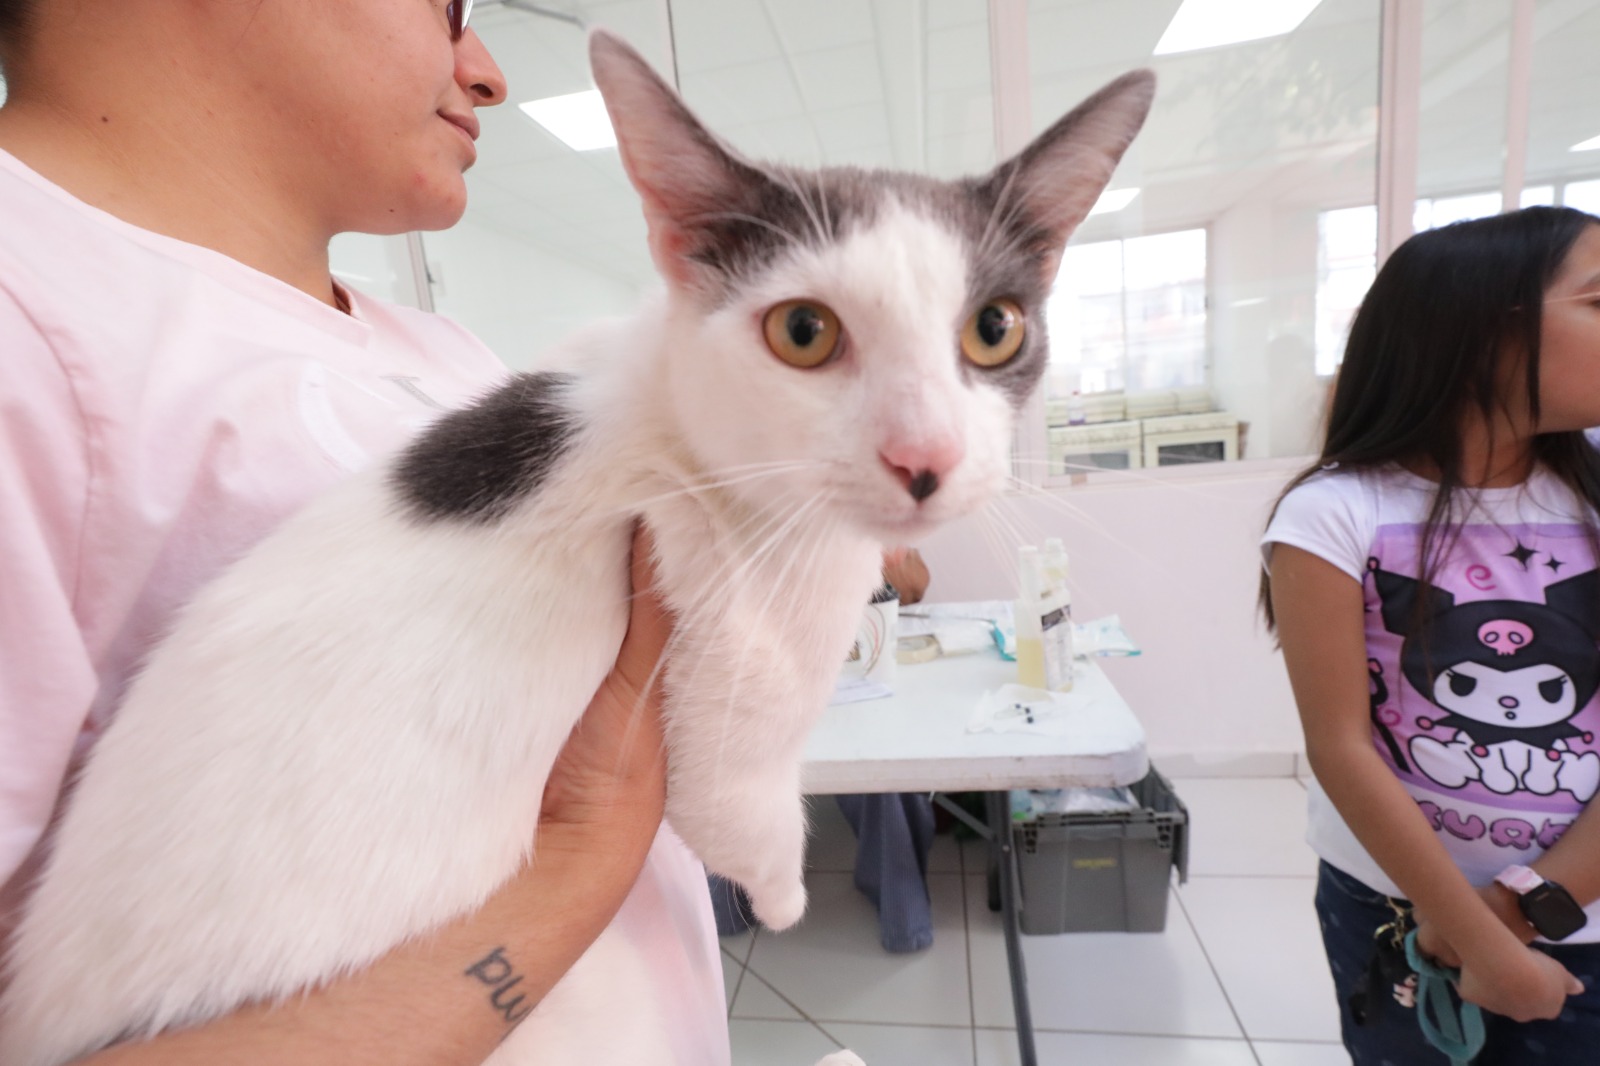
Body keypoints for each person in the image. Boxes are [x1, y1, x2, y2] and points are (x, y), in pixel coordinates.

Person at [0, 1, 728, 1062]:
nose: (486, 72)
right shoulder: (28, 319)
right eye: (446, 7)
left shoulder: (442, 353)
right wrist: (583, 858)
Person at [1261, 205, 1600, 1064]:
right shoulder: (1335, 513)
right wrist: (1466, 932)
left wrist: (1517, 916)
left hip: (1578, 916)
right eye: (1599, 302)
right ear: (1489, 333)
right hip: (1392, 906)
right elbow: (1340, 747)